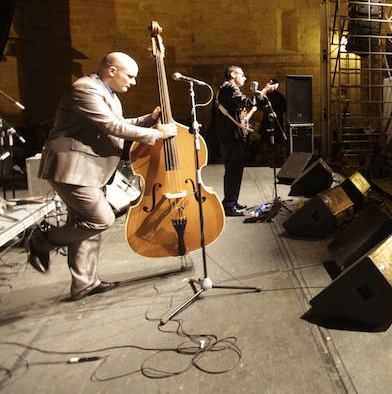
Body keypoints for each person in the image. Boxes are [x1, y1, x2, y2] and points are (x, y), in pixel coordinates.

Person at [28, 52, 177, 300]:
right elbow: (112, 126)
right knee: (100, 219)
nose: (134, 82)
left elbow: (117, 123)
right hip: (71, 168)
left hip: (88, 169)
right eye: (130, 76)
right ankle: (41, 240)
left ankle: (84, 284)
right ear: (111, 71)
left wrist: (149, 120)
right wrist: (157, 134)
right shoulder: (85, 89)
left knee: (85, 226)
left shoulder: (106, 92)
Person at [214, 65, 276, 216]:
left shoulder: (227, 88)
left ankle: (232, 201)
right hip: (231, 137)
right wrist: (265, 90)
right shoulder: (230, 88)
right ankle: (229, 205)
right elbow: (247, 103)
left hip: (230, 136)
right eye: (242, 75)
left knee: (235, 170)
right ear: (233, 74)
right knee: (233, 170)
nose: (245, 78)